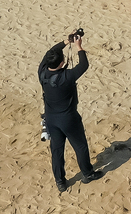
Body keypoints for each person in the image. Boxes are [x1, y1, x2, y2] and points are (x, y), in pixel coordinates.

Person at [38, 32, 104, 192]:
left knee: (57, 150)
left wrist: (66, 41)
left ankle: (60, 181)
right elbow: (83, 65)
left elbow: (50, 52)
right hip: (69, 119)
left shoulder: (42, 72)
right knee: (80, 146)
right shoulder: (67, 76)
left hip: (51, 119)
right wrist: (78, 46)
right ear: (62, 62)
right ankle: (87, 174)